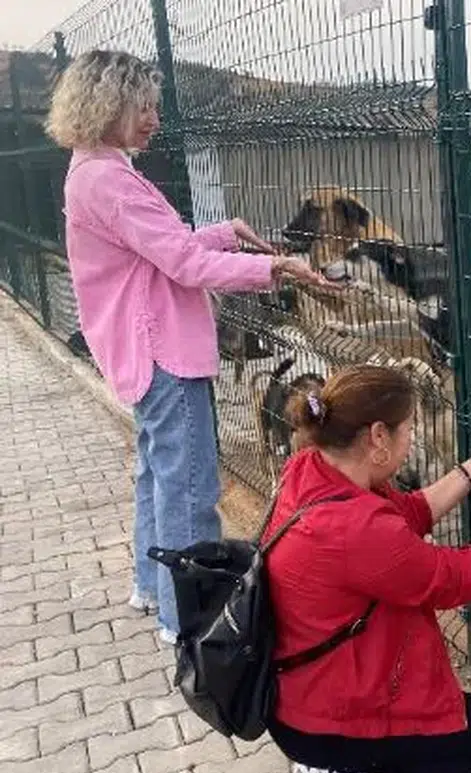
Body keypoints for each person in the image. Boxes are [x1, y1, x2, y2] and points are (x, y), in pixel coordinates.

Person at [44, 50, 329, 645]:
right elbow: (182, 260)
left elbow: (161, 246)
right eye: (142, 107)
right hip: (163, 349)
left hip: (136, 349)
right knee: (192, 487)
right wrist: (273, 266)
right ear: (109, 106)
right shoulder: (110, 179)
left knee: (158, 475)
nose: (153, 119)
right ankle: (191, 621)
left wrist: (229, 233)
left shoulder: (90, 170)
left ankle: (151, 587)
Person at [265, 365, 471, 773]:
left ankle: (323, 754)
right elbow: (454, 579)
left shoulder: (311, 468)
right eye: (409, 429)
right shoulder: (355, 530)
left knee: (470, 718)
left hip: (297, 693)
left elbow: (403, 514)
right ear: (378, 436)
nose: (412, 441)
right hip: (327, 713)